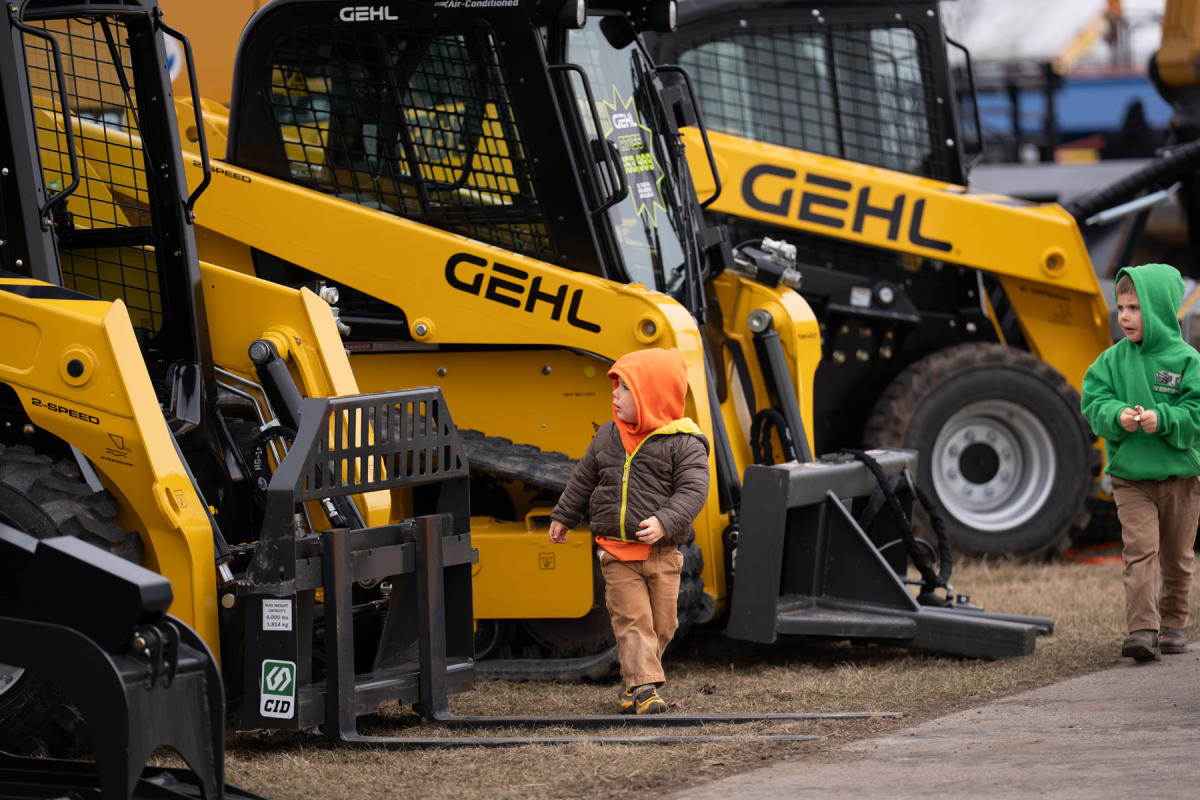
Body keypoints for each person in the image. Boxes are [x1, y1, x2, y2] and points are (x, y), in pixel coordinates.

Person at [547, 347, 710, 713]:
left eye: (624, 389)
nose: (614, 395)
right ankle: (645, 691)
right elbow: (583, 479)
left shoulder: (684, 443)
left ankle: (632, 683)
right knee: (633, 622)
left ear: (651, 396)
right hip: (617, 553)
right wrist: (563, 516)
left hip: (663, 554)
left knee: (663, 626)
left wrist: (665, 520)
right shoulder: (607, 436)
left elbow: (694, 490)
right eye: (615, 387)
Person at [1081, 263, 1200, 661]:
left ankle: (1173, 625)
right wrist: (1116, 415)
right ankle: (1142, 631)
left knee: (1179, 559)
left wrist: (1162, 419)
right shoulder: (1110, 362)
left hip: (1181, 479)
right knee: (1140, 551)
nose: (1126, 317)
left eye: (1135, 308)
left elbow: (1195, 413)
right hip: (1131, 478)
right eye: (1121, 308)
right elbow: (1094, 400)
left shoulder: (1187, 361)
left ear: (1162, 309)